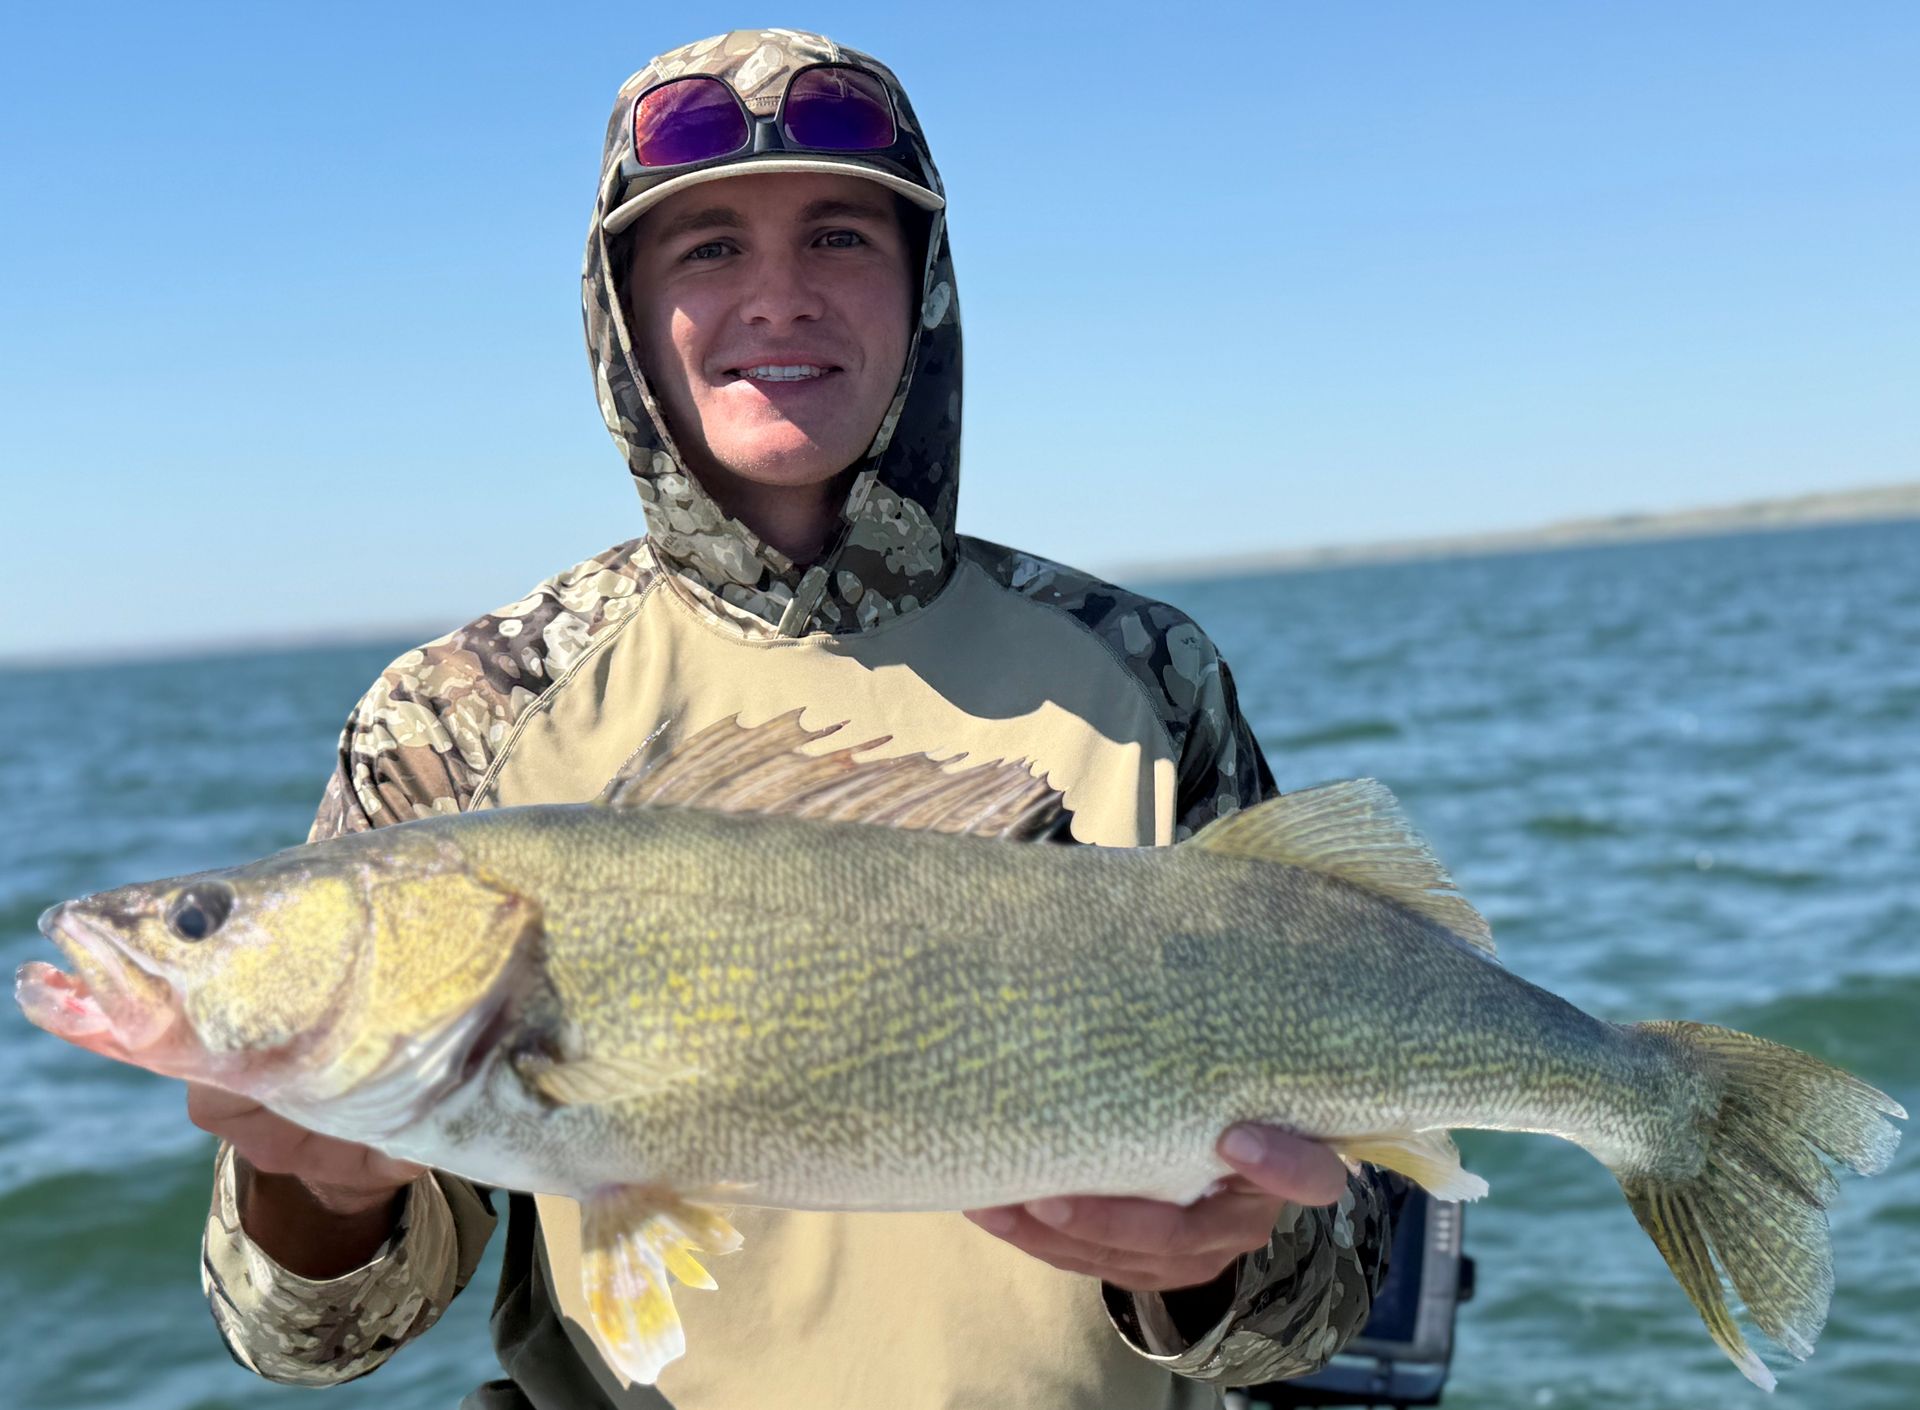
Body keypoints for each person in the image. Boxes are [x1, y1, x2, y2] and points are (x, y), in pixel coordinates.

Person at [190, 28, 1396, 1410]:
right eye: (708, 247)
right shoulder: (460, 719)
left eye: (839, 237)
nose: (779, 297)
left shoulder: (1148, 672)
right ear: (623, 311)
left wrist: (1214, 1262)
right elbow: (309, 1340)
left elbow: (1317, 1296)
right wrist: (322, 1193)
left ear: (921, 288)